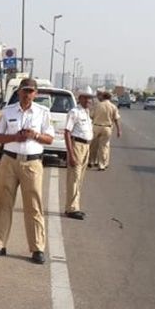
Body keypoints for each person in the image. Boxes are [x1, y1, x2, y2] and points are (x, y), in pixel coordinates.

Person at [0, 78, 54, 265]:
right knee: (3, 203)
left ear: (36, 94)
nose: (27, 94)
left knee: (34, 206)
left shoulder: (43, 113)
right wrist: (15, 137)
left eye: (31, 91)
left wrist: (35, 135)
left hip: (32, 163)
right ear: (18, 92)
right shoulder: (8, 111)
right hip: (9, 160)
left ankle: (37, 248)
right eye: (24, 90)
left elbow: (49, 139)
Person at [63, 92, 94, 220]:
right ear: (80, 98)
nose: (88, 100)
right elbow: (67, 132)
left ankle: (75, 206)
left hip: (86, 147)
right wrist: (71, 154)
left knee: (79, 179)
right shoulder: (74, 112)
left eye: (90, 98)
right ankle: (71, 209)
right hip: (77, 146)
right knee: (74, 178)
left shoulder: (86, 113)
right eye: (85, 98)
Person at [88, 91, 121, 170]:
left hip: (96, 127)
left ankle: (91, 161)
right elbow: (116, 119)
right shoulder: (113, 107)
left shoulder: (97, 105)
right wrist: (119, 130)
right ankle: (102, 164)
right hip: (107, 128)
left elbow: (91, 116)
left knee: (93, 145)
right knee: (104, 146)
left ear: (103, 97)